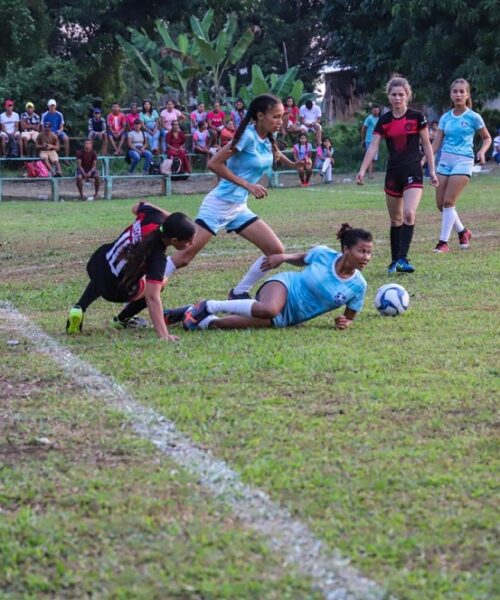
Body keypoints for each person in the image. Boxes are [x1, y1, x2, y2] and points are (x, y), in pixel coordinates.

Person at [162, 94, 311, 302]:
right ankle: (146, 284)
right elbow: (213, 164)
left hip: (238, 208)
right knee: (185, 257)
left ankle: (239, 292)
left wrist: (295, 165)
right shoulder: (246, 136)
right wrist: (247, 185)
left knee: (275, 251)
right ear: (260, 116)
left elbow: (275, 155)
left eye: (282, 116)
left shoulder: (268, 137)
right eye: (276, 117)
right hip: (218, 204)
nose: (281, 121)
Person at [167, 224, 372, 332]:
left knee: (217, 326)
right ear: (346, 249)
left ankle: (190, 312)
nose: (366, 258)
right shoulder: (325, 254)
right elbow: (303, 258)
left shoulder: (358, 286)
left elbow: (349, 318)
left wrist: (345, 323)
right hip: (285, 286)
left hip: (289, 318)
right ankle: (209, 306)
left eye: (369, 253)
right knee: (269, 309)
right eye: (362, 251)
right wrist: (283, 257)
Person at [66, 202, 196, 342]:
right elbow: (152, 297)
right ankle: (121, 320)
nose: (192, 244)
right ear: (174, 240)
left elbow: (137, 206)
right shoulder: (157, 257)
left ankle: (79, 308)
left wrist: (171, 219)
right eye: (188, 241)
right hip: (115, 291)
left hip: (97, 264)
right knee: (161, 282)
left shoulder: (151, 217)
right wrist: (164, 335)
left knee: (112, 269)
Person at [356, 76, 438, 273]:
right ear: (389, 96)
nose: (397, 98)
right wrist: (362, 170)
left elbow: (426, 144)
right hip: (393, 173)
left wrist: (432, 170)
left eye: (401, 94)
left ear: (407, 96)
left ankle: (403, 259)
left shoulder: (417, 117)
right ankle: (394, 261)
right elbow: (373, 145)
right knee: (395, 220)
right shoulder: (383, 121)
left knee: (409, 214)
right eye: (394, 94)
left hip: (413, 171)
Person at [431, 78, 492, 253]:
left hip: (464, 160)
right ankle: (463, 232)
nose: (458, 94)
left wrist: (481, 152)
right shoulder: (445, 117)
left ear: (467, 95)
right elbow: (436, 143)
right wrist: (424, 159)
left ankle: (443, 243)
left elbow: (487, 138)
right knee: (440, 204)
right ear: (451, 95)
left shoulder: (474, 117)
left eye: (461, 91)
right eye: (455, 91)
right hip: (445, 160)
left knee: (449, 201)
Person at [360, 105, 381, 178]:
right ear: (372, 110)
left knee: (374, 158)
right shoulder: (369, 118)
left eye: (377, 110)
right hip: (369, 140)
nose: (376, 112)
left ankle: (371, 172)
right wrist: (363, 139)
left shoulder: (379, 119)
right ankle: (369, 174)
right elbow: (363, 128)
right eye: (375, 110)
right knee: (370, 157)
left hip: (376, 140)